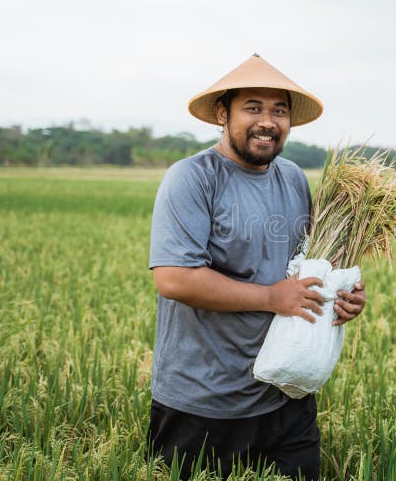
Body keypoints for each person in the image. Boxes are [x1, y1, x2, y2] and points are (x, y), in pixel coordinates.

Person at [146, 54, 367, 480]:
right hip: (204, 401)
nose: (267, 121)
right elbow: (174, 279)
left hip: (285, 391)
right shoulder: (192, 178)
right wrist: (271, 298)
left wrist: (342, 293)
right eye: (253, 108)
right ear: (221, 113)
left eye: (278, 110)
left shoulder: (293, 179)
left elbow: (308, 265)